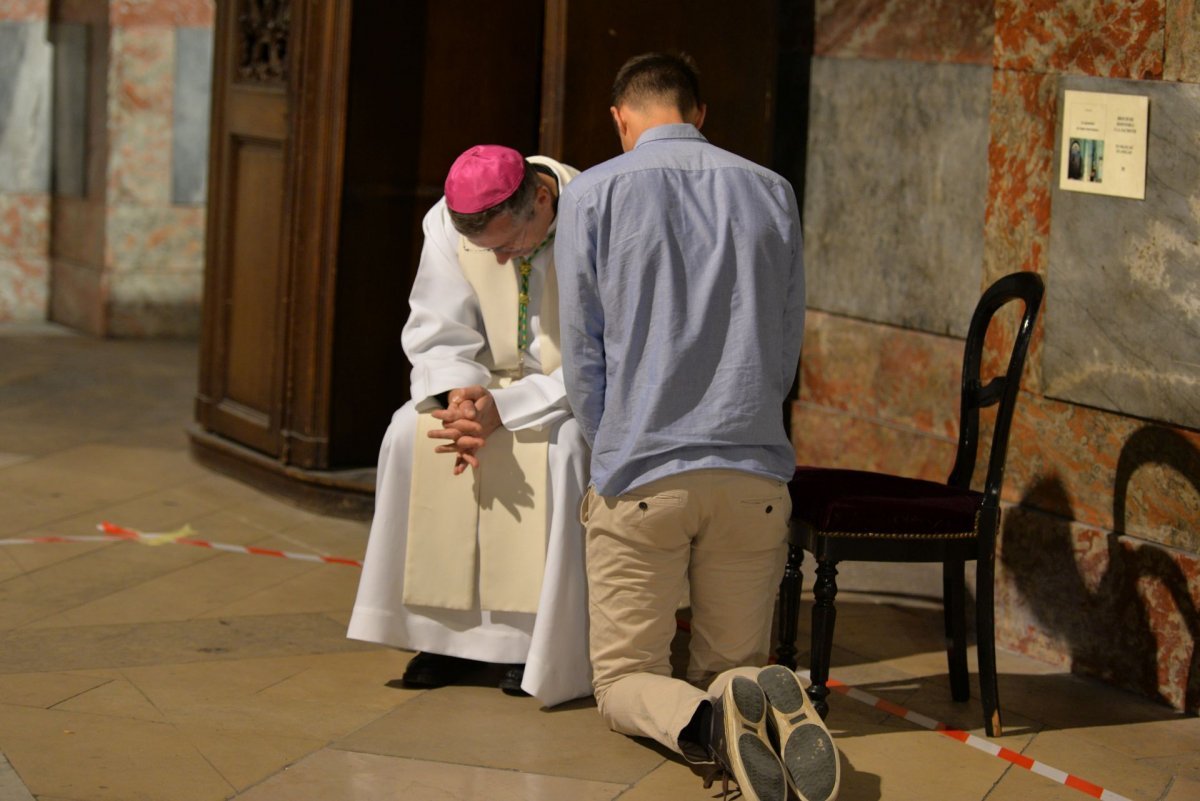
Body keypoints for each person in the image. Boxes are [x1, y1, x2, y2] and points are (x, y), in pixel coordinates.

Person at [555, 53, 840, 801]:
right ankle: (747, 709)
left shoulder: (592, 193)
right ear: (700, 115)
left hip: (642, 468)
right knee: (730, 665)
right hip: (754, 471)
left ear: (620, 118)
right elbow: (783, 345)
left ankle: (711, 729)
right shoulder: (772, 191)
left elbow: (582, 353)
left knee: (623, 680)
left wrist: (611, 442)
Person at [347, 144, 593, 707]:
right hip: (482, 383)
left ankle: (527, 642)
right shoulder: (446, 222)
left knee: (563, 453)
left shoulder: (595, 214)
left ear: (543, 199)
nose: (502, 260)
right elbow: (438, 325)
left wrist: (505, 408)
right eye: (490, 251)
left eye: (509, 244)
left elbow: (600, 352)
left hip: (565, 396)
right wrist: (459, 394)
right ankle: (444, 639)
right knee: (409, 435)